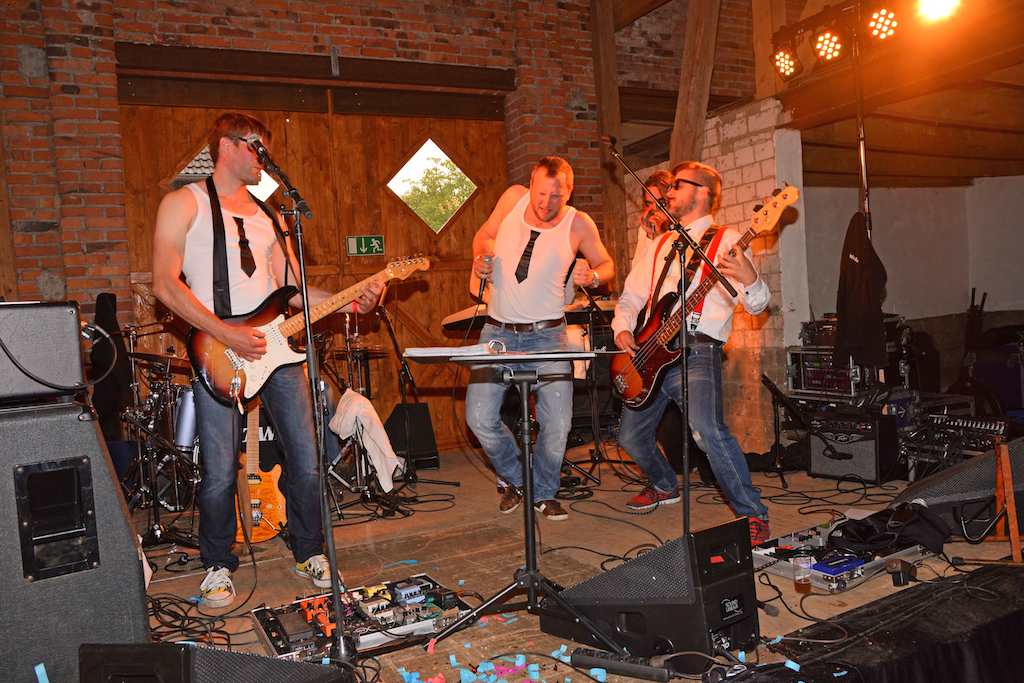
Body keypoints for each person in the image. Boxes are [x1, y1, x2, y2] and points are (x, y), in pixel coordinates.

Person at [152, 112, 382, 607]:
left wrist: (352, 300)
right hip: (218, 348)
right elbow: (164, 284)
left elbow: (295, 292)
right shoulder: (184, 203)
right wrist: (225, 333)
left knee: (307, 457)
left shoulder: (271, 217)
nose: (264, 158)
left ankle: (309, 550)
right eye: (257, 146)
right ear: (227, 145)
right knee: (218, 469)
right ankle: (217, 563)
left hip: (277, 348)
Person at [611, 161, 771, 546]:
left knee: (707, 431)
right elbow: (632, 295)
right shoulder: (662, 243)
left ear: (702, 192)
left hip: (697, 350)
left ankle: (753, 513)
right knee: (630, 438)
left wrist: (749, 277)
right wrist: (623, 327)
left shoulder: (727, 239)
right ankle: (664, 484)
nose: (668, 192)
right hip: (651, 352)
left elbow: (758, 304)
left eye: (677, 186)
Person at [467, 156, 614, 521]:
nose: (546, 203)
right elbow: (483, 236)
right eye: (541, 193)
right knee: (479, 417)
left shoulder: (578, 223)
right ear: (530, 184)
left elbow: (607, 265)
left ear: (569, 192)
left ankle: (544, 492)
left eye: (556, 196)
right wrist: (481, 258)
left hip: (549, 336)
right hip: (498, 332)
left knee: (558, 423)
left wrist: (594, 276)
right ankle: (519, 480)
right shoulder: (512, 199)